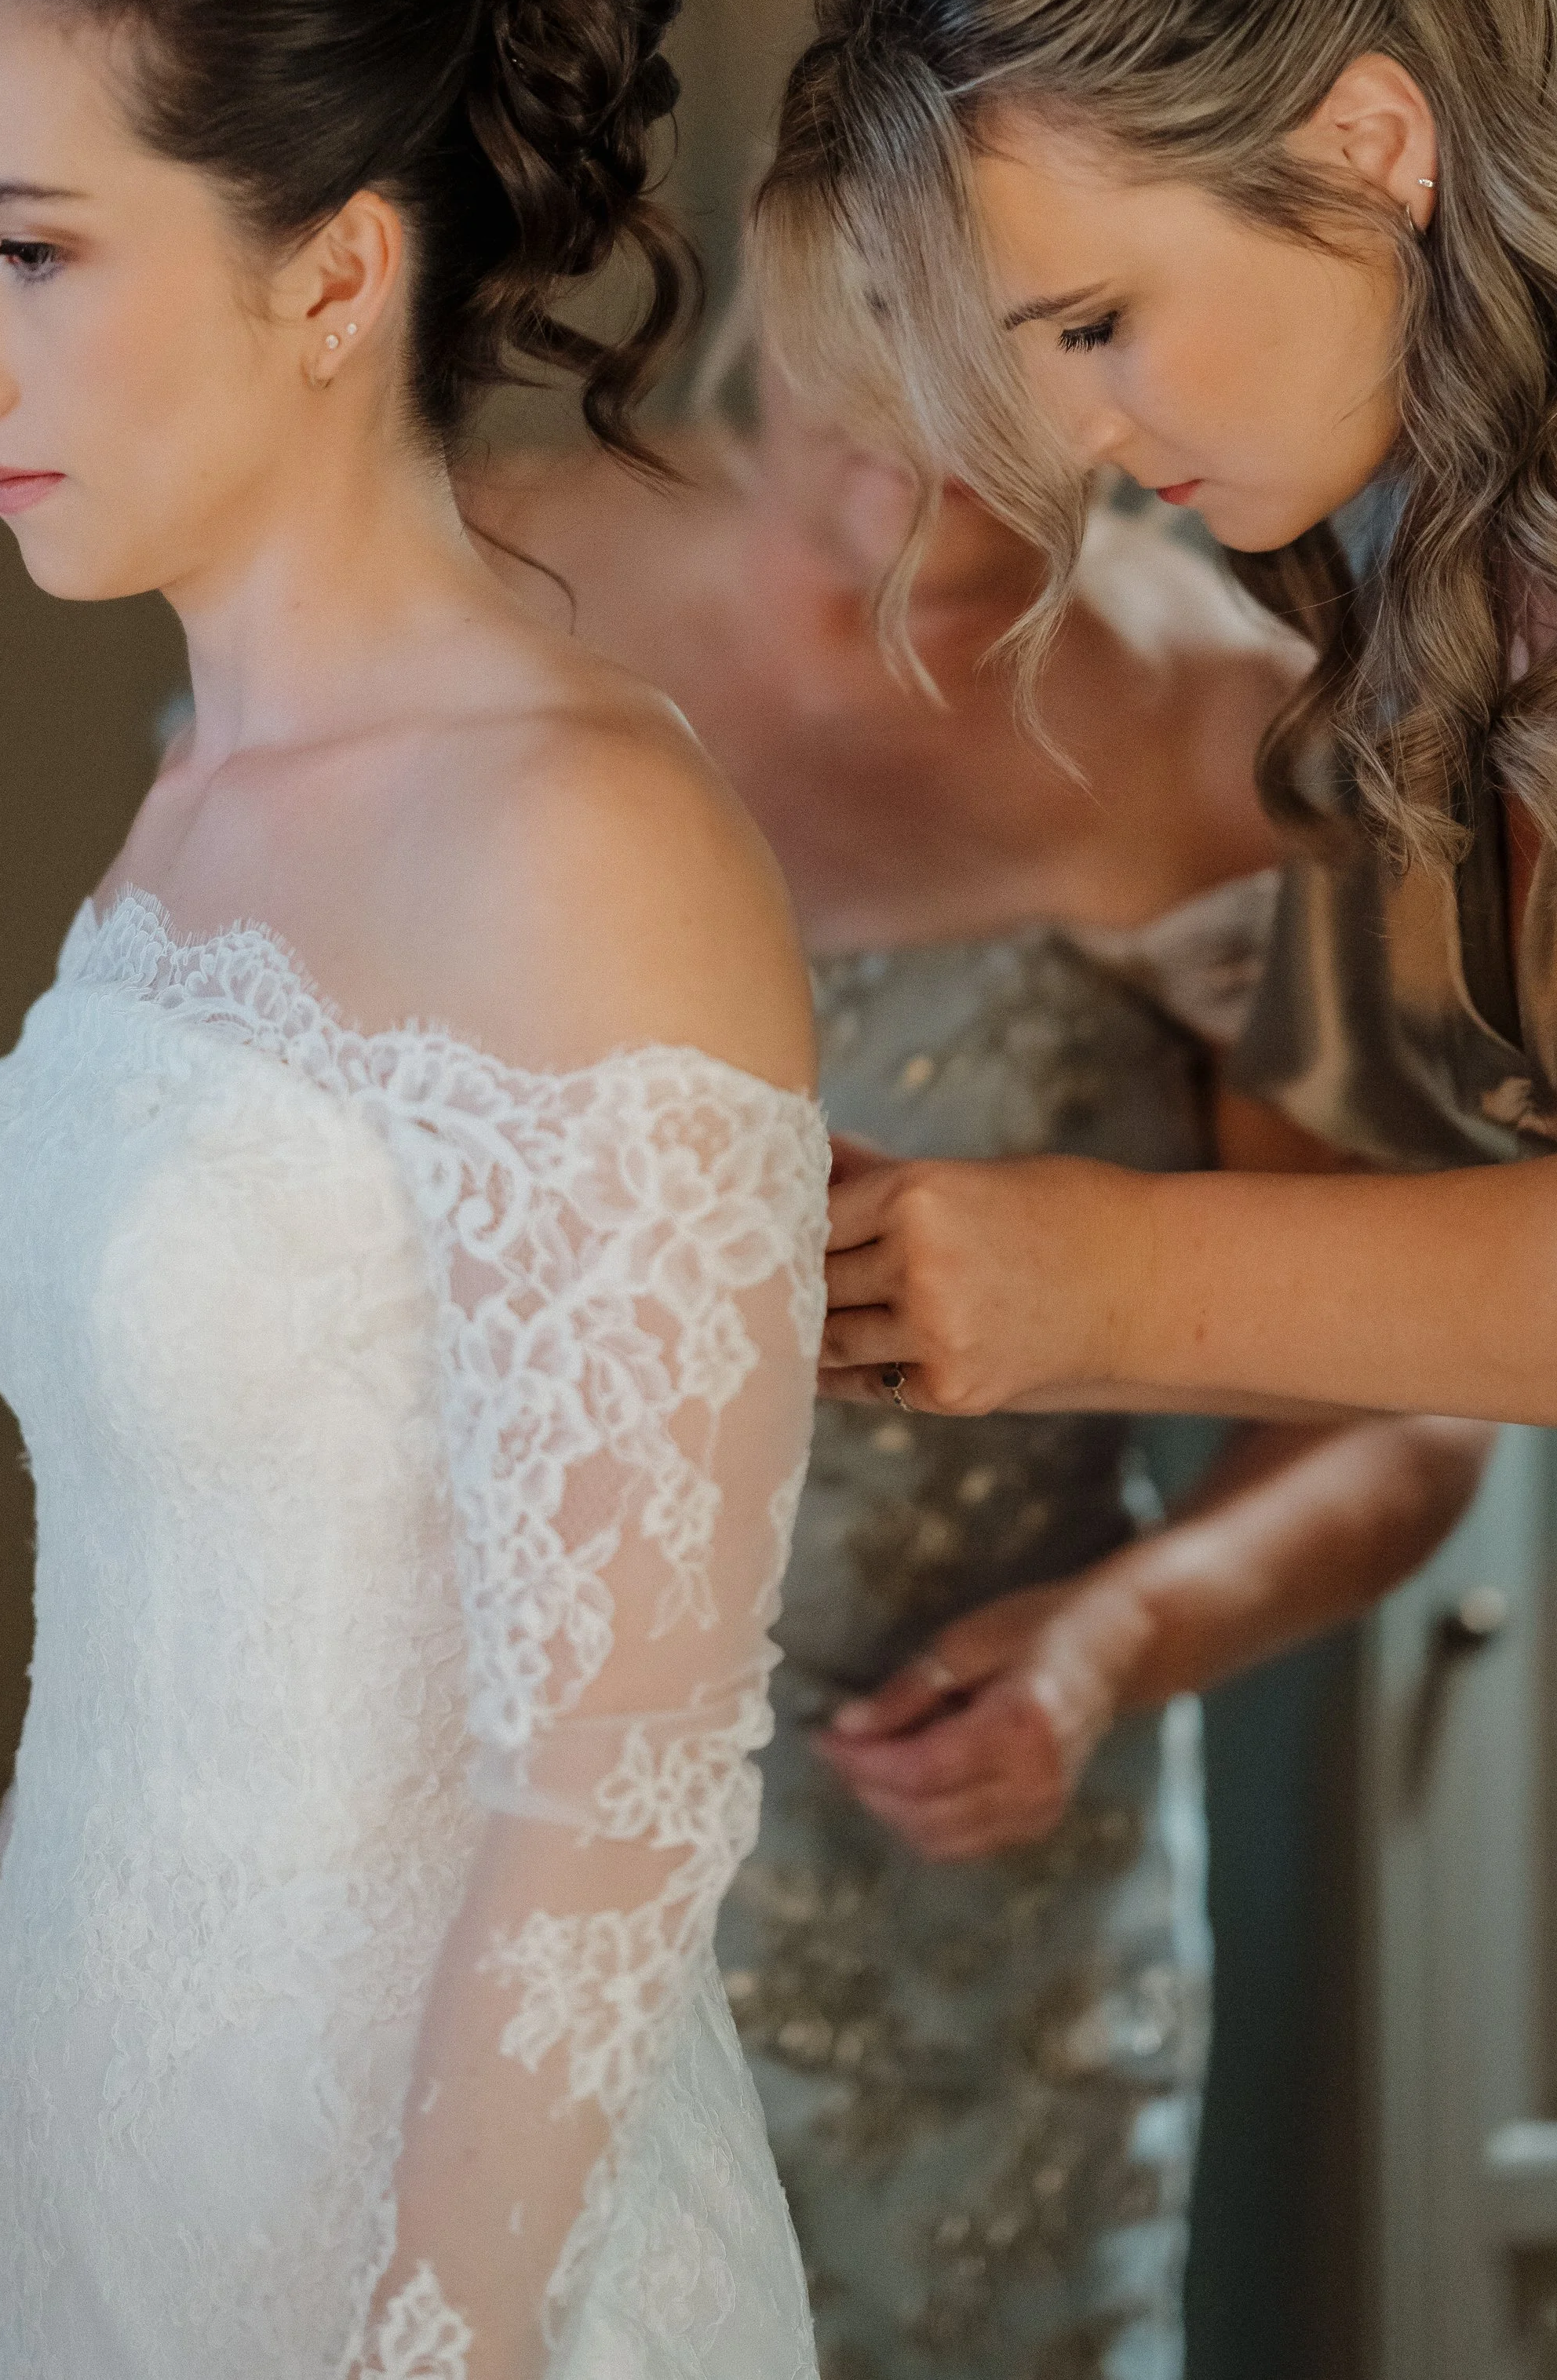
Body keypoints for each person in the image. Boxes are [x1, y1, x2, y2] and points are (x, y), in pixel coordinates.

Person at [0, 0, 830, 2380]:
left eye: (27, 254)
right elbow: (133, 1619)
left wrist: (429, 2345)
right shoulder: (194, 799)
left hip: (461, 2271)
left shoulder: (578, 839)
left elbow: (616, 1783)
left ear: (331, 271)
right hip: (120, 2192)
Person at [749, 0, 1557, 2373]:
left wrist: (1098, 1279)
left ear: (1369, 138)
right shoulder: (1466, 452)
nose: (1061, 436)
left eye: (1091, 323)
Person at [478, 338, 1490, 2379]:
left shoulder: (1233, 731)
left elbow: (1412, 1396)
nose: (926, 448)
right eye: (870, 350)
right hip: (462, 1845)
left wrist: (1102, 1644)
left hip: (957, 1909)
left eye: (1008, 362)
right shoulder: (471, 590)